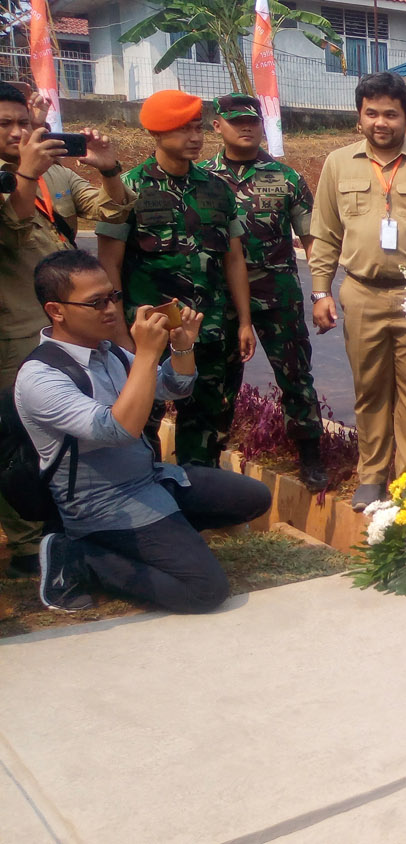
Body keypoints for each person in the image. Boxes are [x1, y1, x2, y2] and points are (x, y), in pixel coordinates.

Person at [17, 251, 271, 613]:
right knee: (205, 591)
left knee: (253, 497)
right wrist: (149, 353)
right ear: (56, 310)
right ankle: (79, 554)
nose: (110, 309)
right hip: (101, 504)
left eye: (113, 298)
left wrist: (181, 344)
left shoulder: (109, 354)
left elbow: (174, 387)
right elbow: (118, 429)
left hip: (149, 480)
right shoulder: (42, 377)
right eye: (96, 303)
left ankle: (164, 537)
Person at [308, 71, 406, 512]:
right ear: (359, 116)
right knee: (370, 389)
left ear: (405, 116)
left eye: (390, 114)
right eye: (371, 112)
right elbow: (325, 233)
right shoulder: (339, 164)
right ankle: (372, 475)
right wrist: (321, 291)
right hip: (361, 294)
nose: (381, 122)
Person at [0, 82, 132, 575]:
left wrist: (109, 169)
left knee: (72, 432)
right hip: (14, 338)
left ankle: (66, 526)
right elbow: (11, 229)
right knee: (16, 442)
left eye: (23, 121)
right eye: (6, 124)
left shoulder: (53, 174)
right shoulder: (23, 178)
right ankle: (29, 544)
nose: (19, 131)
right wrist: (25, 176)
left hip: (64, 331)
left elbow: (113, 212)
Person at [95, 89, 256, 469]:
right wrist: (118, 330)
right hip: (149, 331)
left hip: (210, 328)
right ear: (157, 134)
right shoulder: (127, 189)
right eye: (183, 130)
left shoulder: (217, 187)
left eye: (198, 128)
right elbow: (109, 264)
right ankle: (150, 499)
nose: (196, 137)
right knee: (141, 421)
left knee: (206, 424)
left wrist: (245, 321)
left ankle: (201, 506)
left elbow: (233, 259)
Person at [203, 93, 327, 491]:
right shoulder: (202, 178)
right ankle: (209, 457)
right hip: (220, 298)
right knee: (219, 378)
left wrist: (320, 291)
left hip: (278, 295)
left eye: (252, 121)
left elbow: (312, 238)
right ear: (216, 126)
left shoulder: (287, 178)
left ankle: (309, 454)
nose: (246, 128)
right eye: (236, 121)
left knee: (295, 376)